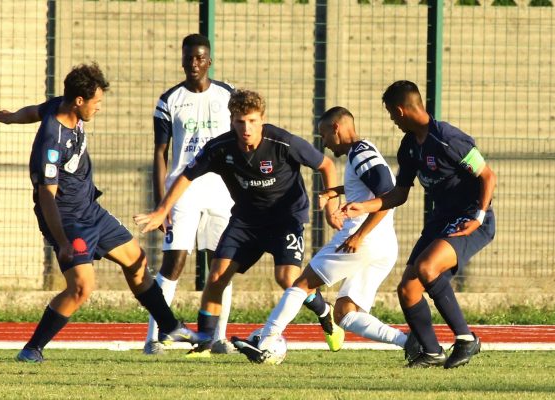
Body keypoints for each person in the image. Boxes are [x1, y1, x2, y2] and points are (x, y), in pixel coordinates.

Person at [0, 63, 203, 363]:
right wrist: (62, 241)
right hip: (66, 220)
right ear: (79, 101)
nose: (98, 108)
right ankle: (31, 349)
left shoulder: (58, 107)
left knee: (136, 259)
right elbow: (46, 197)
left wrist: (11, 117)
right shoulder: (52, 142)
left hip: (90, 210)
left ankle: (169, 327)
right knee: (81, 287)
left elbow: (34, 110)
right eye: (96, 102)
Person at [134, 89, 346, 355]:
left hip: (285, 219)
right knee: (217, 276)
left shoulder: (282, 142)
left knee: (287, 278)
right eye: (239, 121)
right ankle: (206, 342)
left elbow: (326, 165)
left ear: (262, 119)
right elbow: (186, 176)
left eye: (253, 121)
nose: (246, 128)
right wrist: (161, 210)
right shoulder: (220, 148)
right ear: (231, 120)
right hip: (246, 221)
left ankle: (325, 313)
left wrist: (332, 204)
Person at [231, 106, 420, 363]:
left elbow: (387, 196)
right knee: (345, 313)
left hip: (361, 240)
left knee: (301, 283)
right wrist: (337, 191)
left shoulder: (359, 153)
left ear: (336, 128)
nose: (325, 143)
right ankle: (411, 342)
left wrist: (359, 236)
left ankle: (267, 340)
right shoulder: (363, 151)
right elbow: (371, 187)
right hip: (383, 244)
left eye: (324, 135)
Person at [339, 80, 496, 368]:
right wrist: (364, 205)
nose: (391, 120)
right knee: (407, 288)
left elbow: (488, 176)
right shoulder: (409, 147)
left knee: (426, 268)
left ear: (401, 110)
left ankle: (466, 339)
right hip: (441, 219)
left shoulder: (448, 138)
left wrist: (479, 217)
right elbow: (399, 194)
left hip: (470, 217)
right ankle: (432, 351)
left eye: (390, 113)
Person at [143, 33, 235, 356]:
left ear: (209, 60)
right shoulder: (169, 100)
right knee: (174, 262)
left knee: (221, 265)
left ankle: (219, 337)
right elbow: (160, 153)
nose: (193, 63)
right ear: (182, 60)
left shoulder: (228, 95)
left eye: (199, 58)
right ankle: (155, 338)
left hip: (223, 192)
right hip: (183, 191)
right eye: (188, 58)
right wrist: (161, 202)